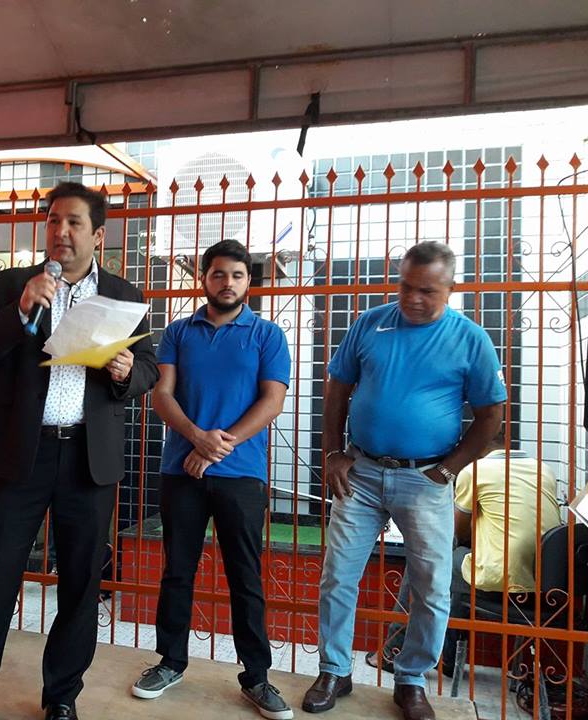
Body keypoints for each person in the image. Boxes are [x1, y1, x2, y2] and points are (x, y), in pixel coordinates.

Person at [0, 182, 159, 720]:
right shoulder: (14, 284)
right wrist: (19, 310)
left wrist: (126, 372)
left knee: (81, 584)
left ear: (98, 235)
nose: (61, 231)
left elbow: (150, 368)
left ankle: (61, 697)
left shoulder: (123, 294)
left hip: (88, 457)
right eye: (54, 220)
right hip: (23, 453)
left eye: (74, 222)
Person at [302, 241, 505, 720]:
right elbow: (337, 390)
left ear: (450, 289)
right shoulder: (370, 324)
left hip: (425, 479)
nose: (413, 298)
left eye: (427, 291)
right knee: (338, 576)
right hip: (361, 472)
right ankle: (334, 671)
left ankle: (411, 679)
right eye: (406, 287)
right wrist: (332, 453)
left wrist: (449, 469)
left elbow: (490, 416)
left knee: (431, 586)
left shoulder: (470, 339)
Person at [130, 240, 293, 720]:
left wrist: (219, 446)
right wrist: (197, 438)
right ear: (204, 278)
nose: (228, 283)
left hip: (241, 473)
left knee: (245, 575)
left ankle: (257, 676)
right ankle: (170, 662)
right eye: (219, 273)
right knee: (177, 570)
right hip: (181, 470)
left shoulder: (267, 335)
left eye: (237, 275)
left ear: (249, 281)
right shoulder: (178, 332)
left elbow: (272, 401)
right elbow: (161, 395)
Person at [367, 433, 560, 675]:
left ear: (478, 449)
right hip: (545, 584)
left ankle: (392, 652)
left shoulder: (476, 471)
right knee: (456, 571)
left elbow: (455, 532)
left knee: (424, 562)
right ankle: (445, 657)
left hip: (501, 577)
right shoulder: (544, 471)